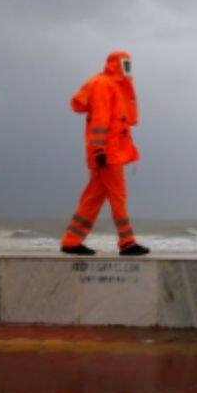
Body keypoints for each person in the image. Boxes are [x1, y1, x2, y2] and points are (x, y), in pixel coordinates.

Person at [60, 51, 149, 256]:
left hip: (108, 151)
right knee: (118, 196)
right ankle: (127, 242)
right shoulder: (104, 85)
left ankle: (71, 240)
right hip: (107, 153)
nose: (128, 69)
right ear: (114, 65)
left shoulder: (112, 85)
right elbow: (100, 120)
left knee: (93, 197)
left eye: (129, 64)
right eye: (125, 64)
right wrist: (99, 149)